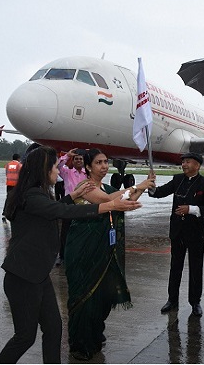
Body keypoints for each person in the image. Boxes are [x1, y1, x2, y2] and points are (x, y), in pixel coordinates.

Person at [0, 146, 141, 364]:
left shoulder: (37, 194)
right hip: (23, 277)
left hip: (38, 276)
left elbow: (54, 207)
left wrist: (73, 195)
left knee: (54, 329)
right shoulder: (31, 195)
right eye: (55, 166)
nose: (58, 170)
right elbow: (62, 212)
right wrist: (109, 205)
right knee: (25, 337)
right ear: (44, 169)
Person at [64, 148, 155, 360]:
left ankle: (95, 334)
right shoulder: (84, 187)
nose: (104, 166)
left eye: (106, 162)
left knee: (102, 297)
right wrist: (137, 185)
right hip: (83, 251)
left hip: (104, 251)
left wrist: (143, 187)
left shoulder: (107, 186)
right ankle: (80, 344)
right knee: (84, 297)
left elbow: (122, 201)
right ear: (87, 167)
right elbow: (107, 200)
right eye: (98, 163)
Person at [148, 152, 204, 317]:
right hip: (178, 232)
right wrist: (151, 185)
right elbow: (159, 192)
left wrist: (191, 210)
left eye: (188, 162)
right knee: (175, 267)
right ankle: (172, 300)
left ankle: (195, 302)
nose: (184, 165)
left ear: (197, 165)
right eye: (183, 162)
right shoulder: (178, 179)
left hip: (196, 233)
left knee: (195, 268)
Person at [56, 148, 88, 266]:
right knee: (65, 231)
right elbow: (57, 167)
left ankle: (80, 254)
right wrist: (66, 156)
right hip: (69, 204)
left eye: (81, 159)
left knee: (82, 231)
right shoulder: (67, 172)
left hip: (83, 204)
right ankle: (62, 256)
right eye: (76, 159)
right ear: (73, 161)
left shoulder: (87, 174)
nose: (79, 161)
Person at [2, 154, 22, 223]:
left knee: (8, 197)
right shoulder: (19, 165)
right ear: (18, 158)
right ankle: (14, 212)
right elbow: (21, 173)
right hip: (16, 183)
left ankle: (4, 212)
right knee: (17, 198)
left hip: (9, 183)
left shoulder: (8, 164)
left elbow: (6, 172)